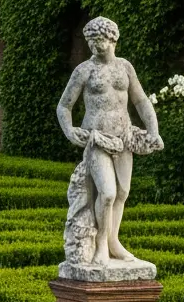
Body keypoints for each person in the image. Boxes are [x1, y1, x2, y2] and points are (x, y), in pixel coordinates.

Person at [55, 16, 162, 274]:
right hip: (97, 139)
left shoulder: (125, 67)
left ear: (112, 39)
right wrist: (69, 130)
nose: (94, 46)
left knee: (122, 193)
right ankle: (101, 243)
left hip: (124, 138)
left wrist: (154, 130)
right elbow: (64, 106)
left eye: (99, 40)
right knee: (108, 193)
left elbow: (141, 101)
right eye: (91, 41)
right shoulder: (84, 70)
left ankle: (114, 241)